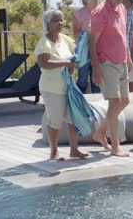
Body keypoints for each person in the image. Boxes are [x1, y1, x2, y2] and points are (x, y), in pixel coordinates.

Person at [34, 9, 89, 161]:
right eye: (55, 20)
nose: (60, 23)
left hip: (67, 86)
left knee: (73, 118)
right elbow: (43, 63)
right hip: (52, 88)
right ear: (48, 24)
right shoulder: (44, 42)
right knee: (55, 121)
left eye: (61, 20)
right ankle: (54, 152)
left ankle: (74, 150)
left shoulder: (64, 39)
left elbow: (78, 50)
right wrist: (66, 63)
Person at [89, 0, 133, 157]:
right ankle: (115, 146)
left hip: (121, 61)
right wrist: (96, 69)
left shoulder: (122, 8)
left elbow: (123, 35)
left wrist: (128, 57)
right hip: (106, 62)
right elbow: (92, 43)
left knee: (124, 101)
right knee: (114, 102)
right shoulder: (100, 12)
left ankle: (100, 132)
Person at [72, 0, 100, 94]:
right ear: (88, 1)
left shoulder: (97, 14)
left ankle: (97, 103)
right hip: (84, 52)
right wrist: (87, 32)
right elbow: (75, 34)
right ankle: (79, 102)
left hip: (96, 50)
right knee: (82, 80)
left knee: (96, 78)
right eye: (95, 0)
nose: (97, 3)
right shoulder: (78, 14)